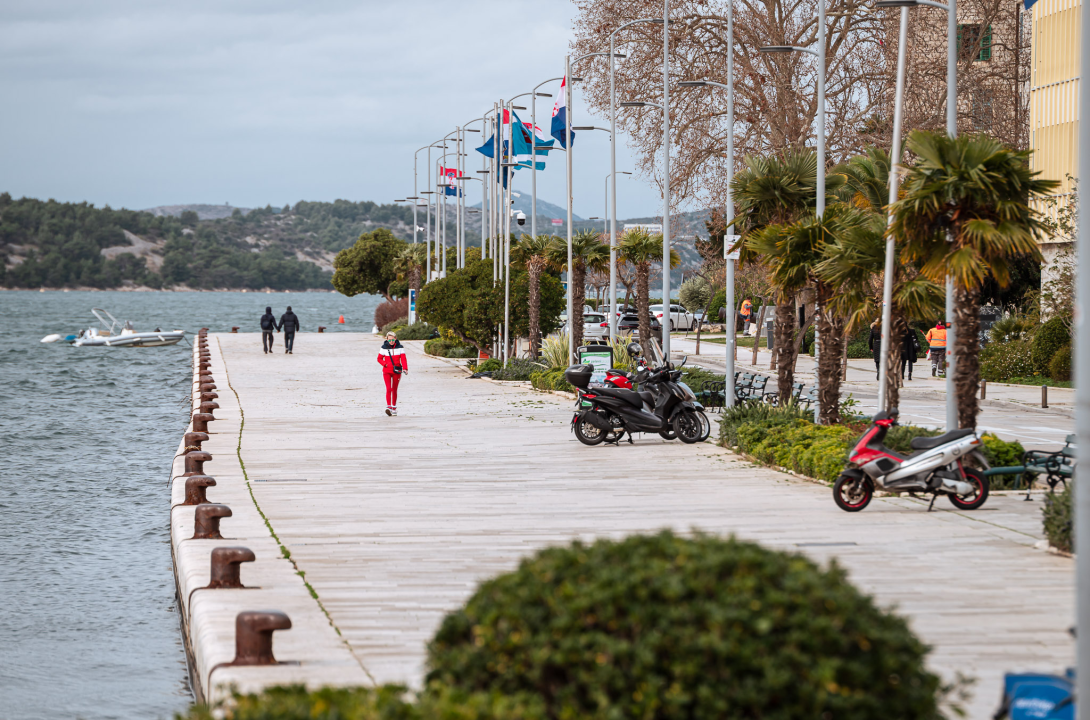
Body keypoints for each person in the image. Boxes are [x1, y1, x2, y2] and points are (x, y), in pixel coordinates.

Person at [377, 331, 408, 416]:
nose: (391, 341)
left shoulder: (400, 347)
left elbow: (403, 359)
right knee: (388, 389)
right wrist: (385, 364)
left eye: (393, 340)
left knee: (394, 389)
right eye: (389, 340)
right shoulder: (383, 348)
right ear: (386, 339)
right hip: (386, 371)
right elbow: (379, 359)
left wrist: (405, 369)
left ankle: (394, 408)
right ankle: (389, 407)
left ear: (395, 339)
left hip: (396, 371)